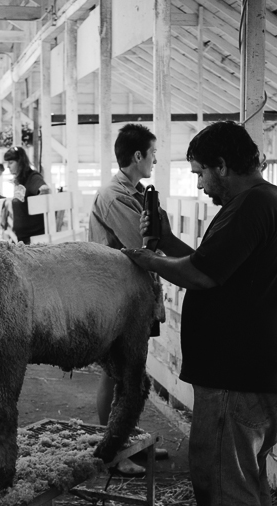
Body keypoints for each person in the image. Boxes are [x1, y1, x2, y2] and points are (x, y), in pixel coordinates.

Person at [122, 121, 277, 506]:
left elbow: (200, 275)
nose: (200, 184)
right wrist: (168, 242)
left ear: (223, 166)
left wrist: (144, 259)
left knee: (222, 483)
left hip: (236, 373)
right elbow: (210, 264)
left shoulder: (252, 206)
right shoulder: (262, 204)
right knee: (246, 479)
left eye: (202, 172)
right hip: (256, 368)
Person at [88, 123, 170, 475]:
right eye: (152, 154)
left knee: (129, 372)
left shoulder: (134, 191)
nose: (155, 160)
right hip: (117, 298)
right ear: (137, 156)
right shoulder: (115, 197)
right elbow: (145, 242)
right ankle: (113, 452)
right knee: (117, 373)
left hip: (132, 296)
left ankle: (126, 439)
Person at [3, 146, 50, 244]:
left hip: (33, 239)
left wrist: (43, 188)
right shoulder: (20, 180)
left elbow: (42, 187)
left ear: (20, 162)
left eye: (11, 163)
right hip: (21, 238)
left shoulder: (32, 177)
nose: (8, 166)